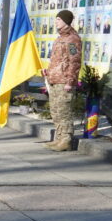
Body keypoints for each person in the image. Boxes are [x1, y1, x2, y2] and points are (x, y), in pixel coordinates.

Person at [44, 10, 83, 151]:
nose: (56, 22)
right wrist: (48, 72)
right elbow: (58, 60)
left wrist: (70, 81)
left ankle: (66, 140)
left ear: (67, 21)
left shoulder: (72, 39)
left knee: (64, 111)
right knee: (55, 111)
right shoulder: (60, 38)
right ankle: (59, 138)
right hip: (55, 79)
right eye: (56, 19)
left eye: (59, 19)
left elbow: (74, 61)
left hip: (64, 81)